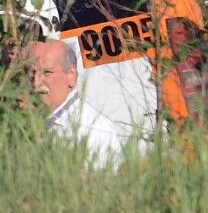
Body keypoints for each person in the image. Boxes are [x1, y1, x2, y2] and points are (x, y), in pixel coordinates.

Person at [25, 38, 136, 168]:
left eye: (47, 73)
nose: (35, 83)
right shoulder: (27, 120)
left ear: (71, 75)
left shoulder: (92, 130)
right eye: (30, 72)